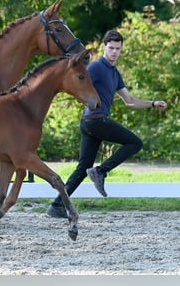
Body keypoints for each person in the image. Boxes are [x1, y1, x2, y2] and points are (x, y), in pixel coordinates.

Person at [46, 29, 168, 219]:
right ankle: (100, 171)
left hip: (90, 123)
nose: (114, 52)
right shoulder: (96, 67)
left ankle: (56, 205)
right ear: (104, 47)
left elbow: (130, 101)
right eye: (111, 48)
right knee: (135, 143)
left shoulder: (114, 72)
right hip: (95, 120)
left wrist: (152, 103)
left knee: (82, 168)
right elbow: (76, 83)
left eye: (118, 49)